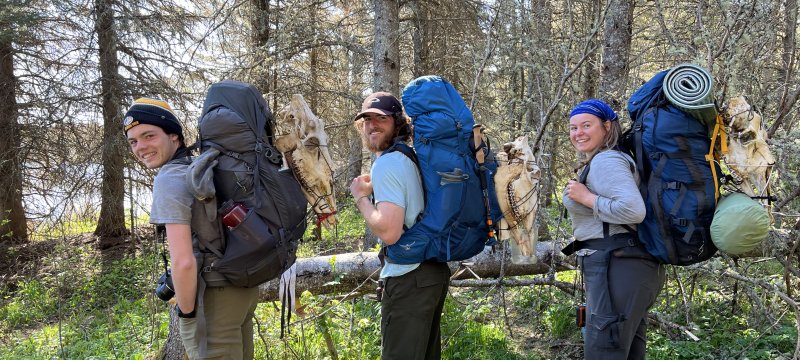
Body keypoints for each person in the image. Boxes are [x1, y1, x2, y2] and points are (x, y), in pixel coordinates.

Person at [124, 97, 259, 359]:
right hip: (242, 290)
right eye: (133, 141)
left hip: (214, 299)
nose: (140, 147)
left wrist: (187, 314)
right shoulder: (199, 167)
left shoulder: (170, 178)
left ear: (174, 136)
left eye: (149, 135)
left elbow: (183, 262)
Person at [349, 92, 450, 360]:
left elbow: (390, 231)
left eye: (381, 119)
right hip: (430, 272)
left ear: (397, 122)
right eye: (367, 120)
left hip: (409, 277)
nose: (373, 125)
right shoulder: (409, 157)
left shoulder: (389, 163)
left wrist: (360, 197)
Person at [562, 99, 666, 359]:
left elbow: (633, 211)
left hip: (618, 267)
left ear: (607, 127)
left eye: (587, 125)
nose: (578, 133)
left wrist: (586, 198)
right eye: (574, 128)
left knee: (605, 352)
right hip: (624, 267)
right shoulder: (607, 159)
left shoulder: (606, 161)